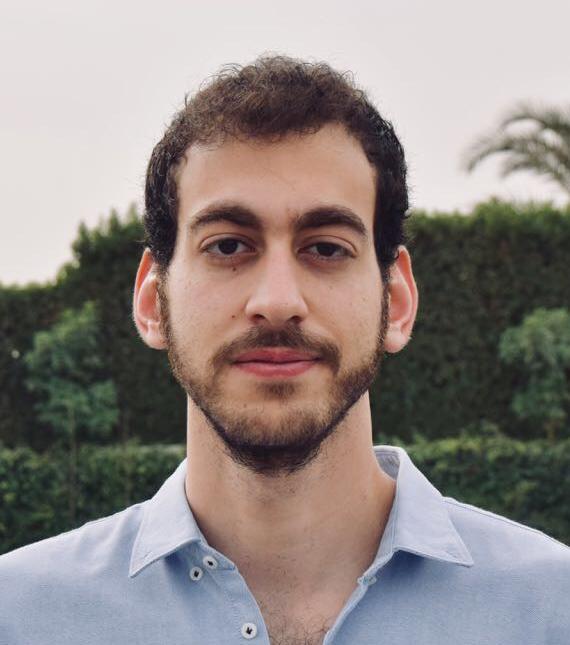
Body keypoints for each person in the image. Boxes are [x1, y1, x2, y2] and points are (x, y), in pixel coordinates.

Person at [0, 55, 568, 645]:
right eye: (227, 246)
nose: (277, 301)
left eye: (326, 248)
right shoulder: (19, 618)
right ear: (152, 300)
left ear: (397, 301)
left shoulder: (552, 611)